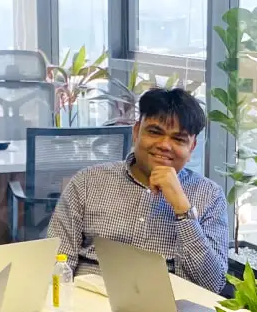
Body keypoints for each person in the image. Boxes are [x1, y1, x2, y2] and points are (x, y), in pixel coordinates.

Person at [46, 87, 230, 293]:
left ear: (192, 147)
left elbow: (213, 285)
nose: (165, 145)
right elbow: (56, 263)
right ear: (136, 132)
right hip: (89, 300)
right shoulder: (88, 182)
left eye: (178, 139)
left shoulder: (210, 196)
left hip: (166, 308)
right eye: (155, 132)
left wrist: (183, 210)